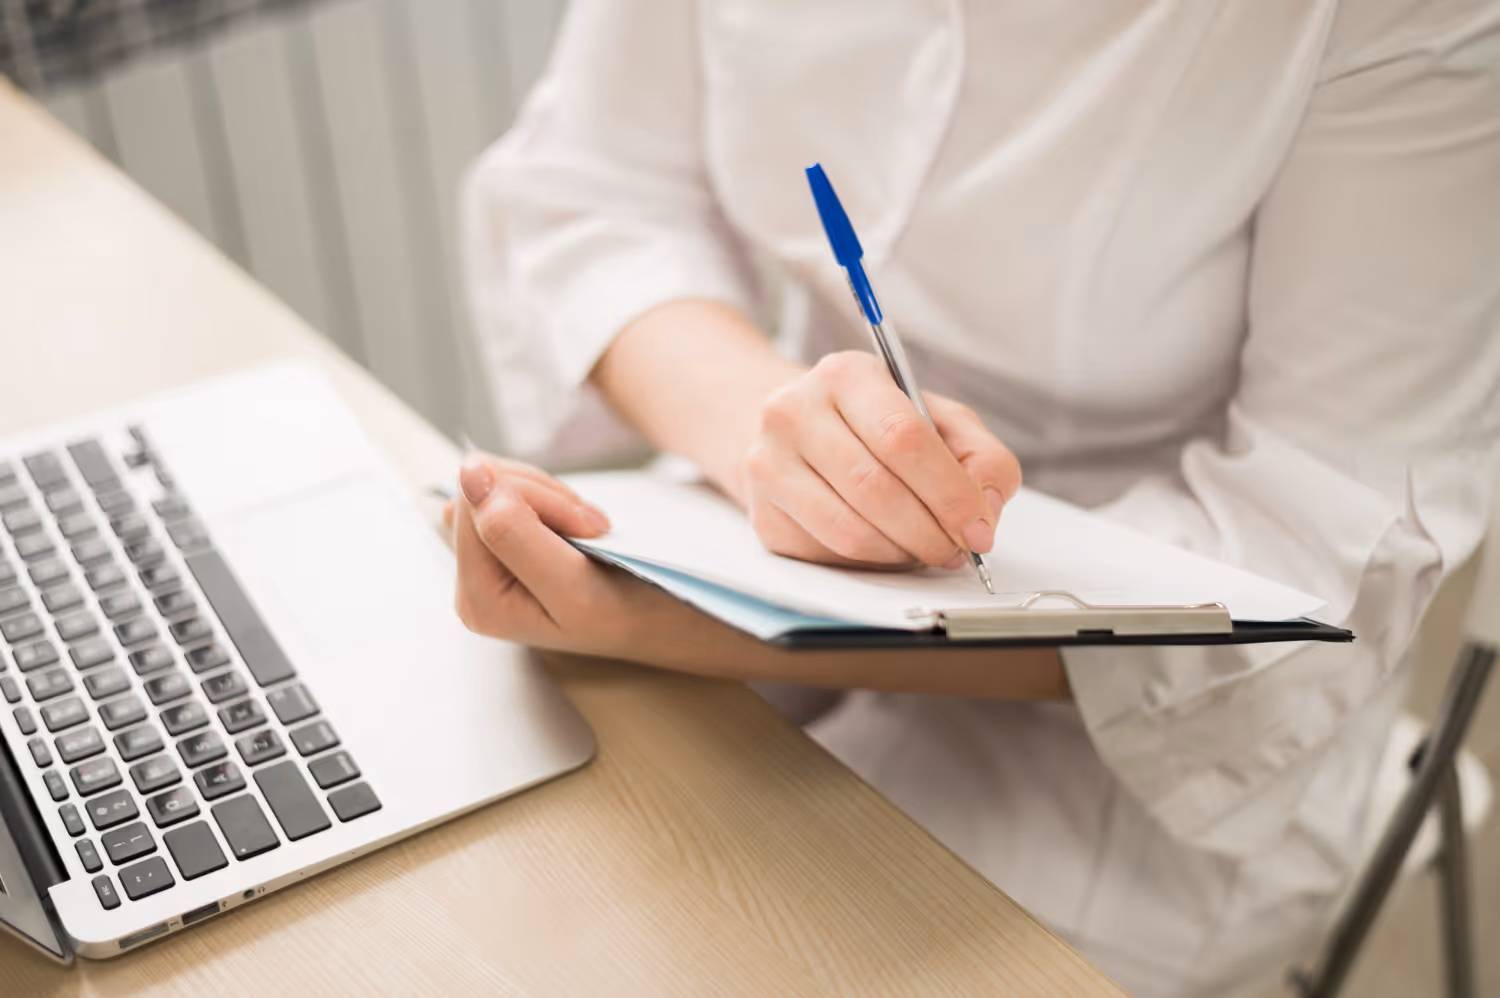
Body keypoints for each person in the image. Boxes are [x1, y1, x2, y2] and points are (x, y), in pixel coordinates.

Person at [452, 2, 1500, 995]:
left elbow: (1319, 541)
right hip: (763, 531)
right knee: (501, 891)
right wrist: (770, 435)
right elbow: (596, 195)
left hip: (1153, 716)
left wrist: (723, 624)